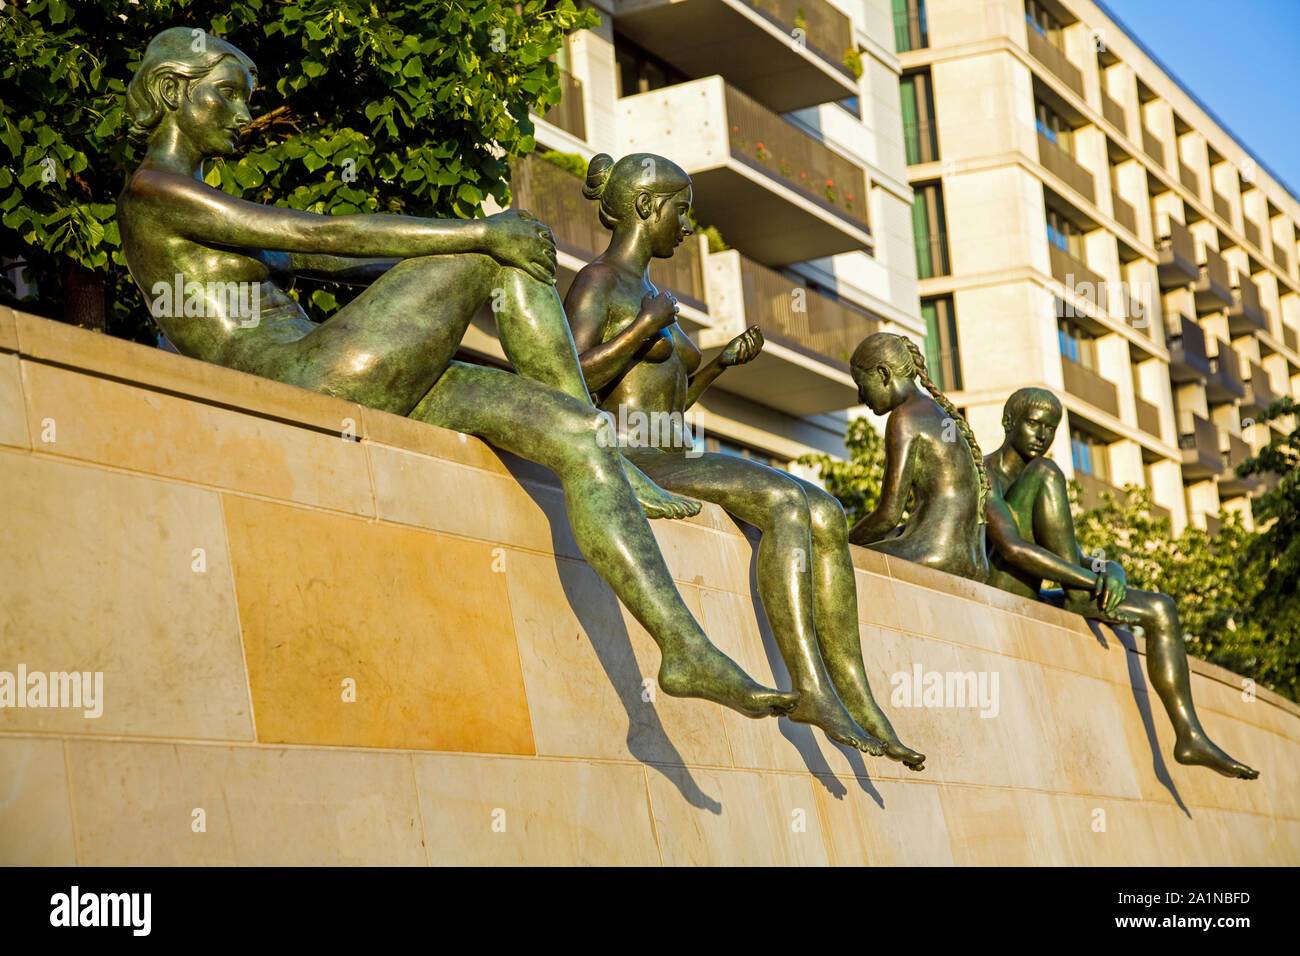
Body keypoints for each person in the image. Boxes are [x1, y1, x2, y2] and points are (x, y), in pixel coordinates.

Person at [115, 28, 799, 721]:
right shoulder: (154, 190)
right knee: (491, 255)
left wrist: (470, 255)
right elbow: (313, 235)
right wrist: (475, 236)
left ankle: (684, 649)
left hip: (344, 369)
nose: (242, 116)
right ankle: (611, 446)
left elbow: (348, 264)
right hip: (296, 382)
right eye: (226, 95)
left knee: (573, 432)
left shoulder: (200, 199)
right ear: (173, 90)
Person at [562, 152, 925, 768]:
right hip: (631, 455)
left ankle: (857, 695)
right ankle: (811, 689)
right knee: (784, 500)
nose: (686, 225)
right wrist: (640, 330)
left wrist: (719, 365)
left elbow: (668, 399)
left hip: (672, 446)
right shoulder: (600, 282)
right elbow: (565, 378)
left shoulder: (652, 291)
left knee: (828, 511)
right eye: (681, 211)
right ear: (649, 207)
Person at [984, 387, 1258, 779]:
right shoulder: (986, 472)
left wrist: (1110, 568)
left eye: (1051, 427)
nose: (1042, 435)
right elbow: (1012, 549)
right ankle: (1082, 599)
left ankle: (1189, 734)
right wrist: (1086, 580)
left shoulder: (1038, 476)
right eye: (1033, 423)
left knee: (1162, 608)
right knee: (1047, 471)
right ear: (1009, 423)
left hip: (1047, 591)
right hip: (1002, 586)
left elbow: (1068, 551)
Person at [848, 333, 990, 583]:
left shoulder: (905, 418)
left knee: (831, 558)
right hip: (974, 561)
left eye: (862, 386)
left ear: (883, 374)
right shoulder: (937, 413)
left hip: (935, 553)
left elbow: (888, 516)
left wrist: (842, 541)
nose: (861, 398)